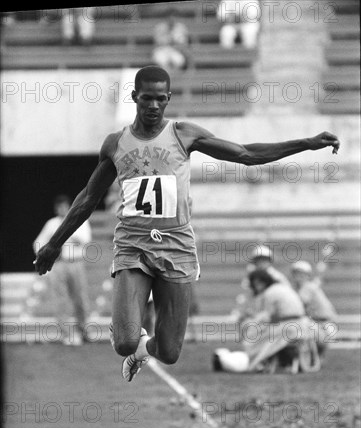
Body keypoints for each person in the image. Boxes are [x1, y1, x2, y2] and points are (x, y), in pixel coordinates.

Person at [33, 64, 340, 382]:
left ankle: (144, 351)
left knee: (169, 352)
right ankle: (131, 341)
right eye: (146, 99)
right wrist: (54, 244)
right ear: (135, 96)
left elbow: (246, 153)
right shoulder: (115, 144)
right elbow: (87, 198)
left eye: (160, 99)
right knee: (123, 341)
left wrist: (305, 143)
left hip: (175, 243)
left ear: (168, 99)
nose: (153, 106)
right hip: (132, 242)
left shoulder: (183, 134)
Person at [213, 268, 317, 373]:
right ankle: (275, 362)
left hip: (291, 326)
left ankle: (256, 362)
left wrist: (249, 320)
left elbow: (266, 317)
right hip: (302, 324)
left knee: (253, 336)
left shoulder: (270, 293)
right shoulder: (281, 288)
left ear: (259, 283)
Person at [33, 195, 92, 345]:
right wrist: (46, 255)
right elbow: (38, 243)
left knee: (80, 299)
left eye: (65, 206)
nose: (62, 209)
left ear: (70, 207)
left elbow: (85, 240)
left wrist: (64, 234)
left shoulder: (79, 220)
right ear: (56, 208)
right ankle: (66, 334)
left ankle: (84, 331)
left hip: (76, 263)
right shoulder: (51, 224)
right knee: (61, 300)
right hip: (59, 265)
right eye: (59, 207)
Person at [290, 260, 337, 361]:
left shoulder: (307, 288)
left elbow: (298, 305)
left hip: (324, 325)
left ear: (307, 275)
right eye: (296, 273)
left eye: (301, 274)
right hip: (326, 324)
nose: (298, 277)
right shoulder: (309, 287)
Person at [231, 244, 289, 323]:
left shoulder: (277, 277)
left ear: (269, 261)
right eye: (258, 260)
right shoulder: (251, 276)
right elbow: (247, 294)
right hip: (257, 309)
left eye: (264, 259)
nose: (261, 262)